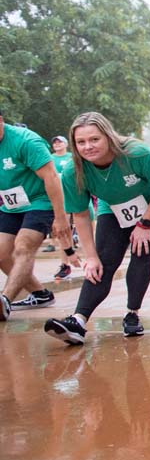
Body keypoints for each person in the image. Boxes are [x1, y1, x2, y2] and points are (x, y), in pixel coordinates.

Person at [43, 112, 150, 342]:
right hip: (112, 203)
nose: (88, 146)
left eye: (94, 139)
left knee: (141, 249)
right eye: (81, 142)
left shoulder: (137, 153)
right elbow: (81, 214)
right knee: (104, 260)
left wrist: (145, 223)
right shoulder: (73, 170)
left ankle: (132, 314)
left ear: (108, 136)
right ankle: (78, 321)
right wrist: (90, 256)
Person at [0, 112, 70, 320]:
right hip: (11, 205)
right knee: (2, 254)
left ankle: (5, 301)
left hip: (41, 200)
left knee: (23, 246)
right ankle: (41, 294)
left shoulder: (26, 141)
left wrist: (60, 217)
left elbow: (51, 177)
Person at [48, 136, 79, 281]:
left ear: (66, 144)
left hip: (75, 194)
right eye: (54, 142)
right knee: (63, 231)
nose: (57, 144)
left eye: (59, 142)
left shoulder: (72, 158)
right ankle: (65, 264)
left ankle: (96, 257)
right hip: (60, 199)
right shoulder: (49, 158)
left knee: (90, 226)